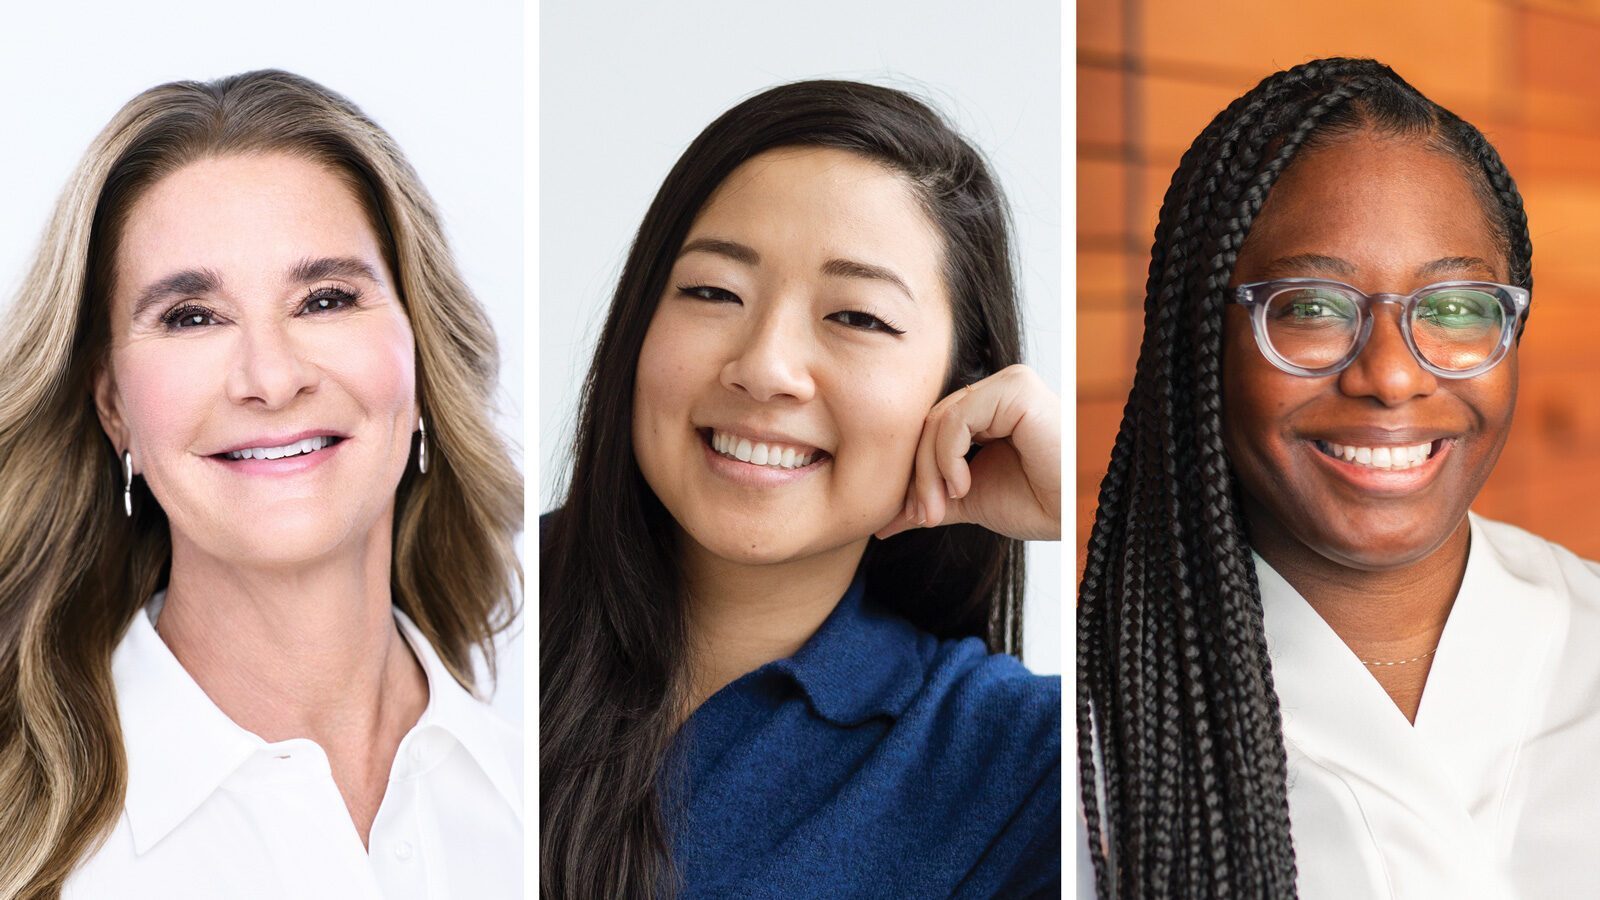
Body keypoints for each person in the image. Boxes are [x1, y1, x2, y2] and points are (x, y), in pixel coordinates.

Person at [1078, 56, 1600, 899]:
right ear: (1202, 342)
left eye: (1457, 307)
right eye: (1313, 307)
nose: (1392, 376)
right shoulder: (1087, 740)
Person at [0, 71, 522, 898]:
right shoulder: (20, 840)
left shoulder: (547, 804)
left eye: (325, 299)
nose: (271, 379)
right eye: (192, 316)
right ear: (113, 408)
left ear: (420, 362)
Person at [540, 80, 1063, 899]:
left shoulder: (1019, 759)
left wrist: (1087, 501)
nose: (765, 367)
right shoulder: (461, 613)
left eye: (856, 317)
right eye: (714, 293)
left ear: (962, 392)